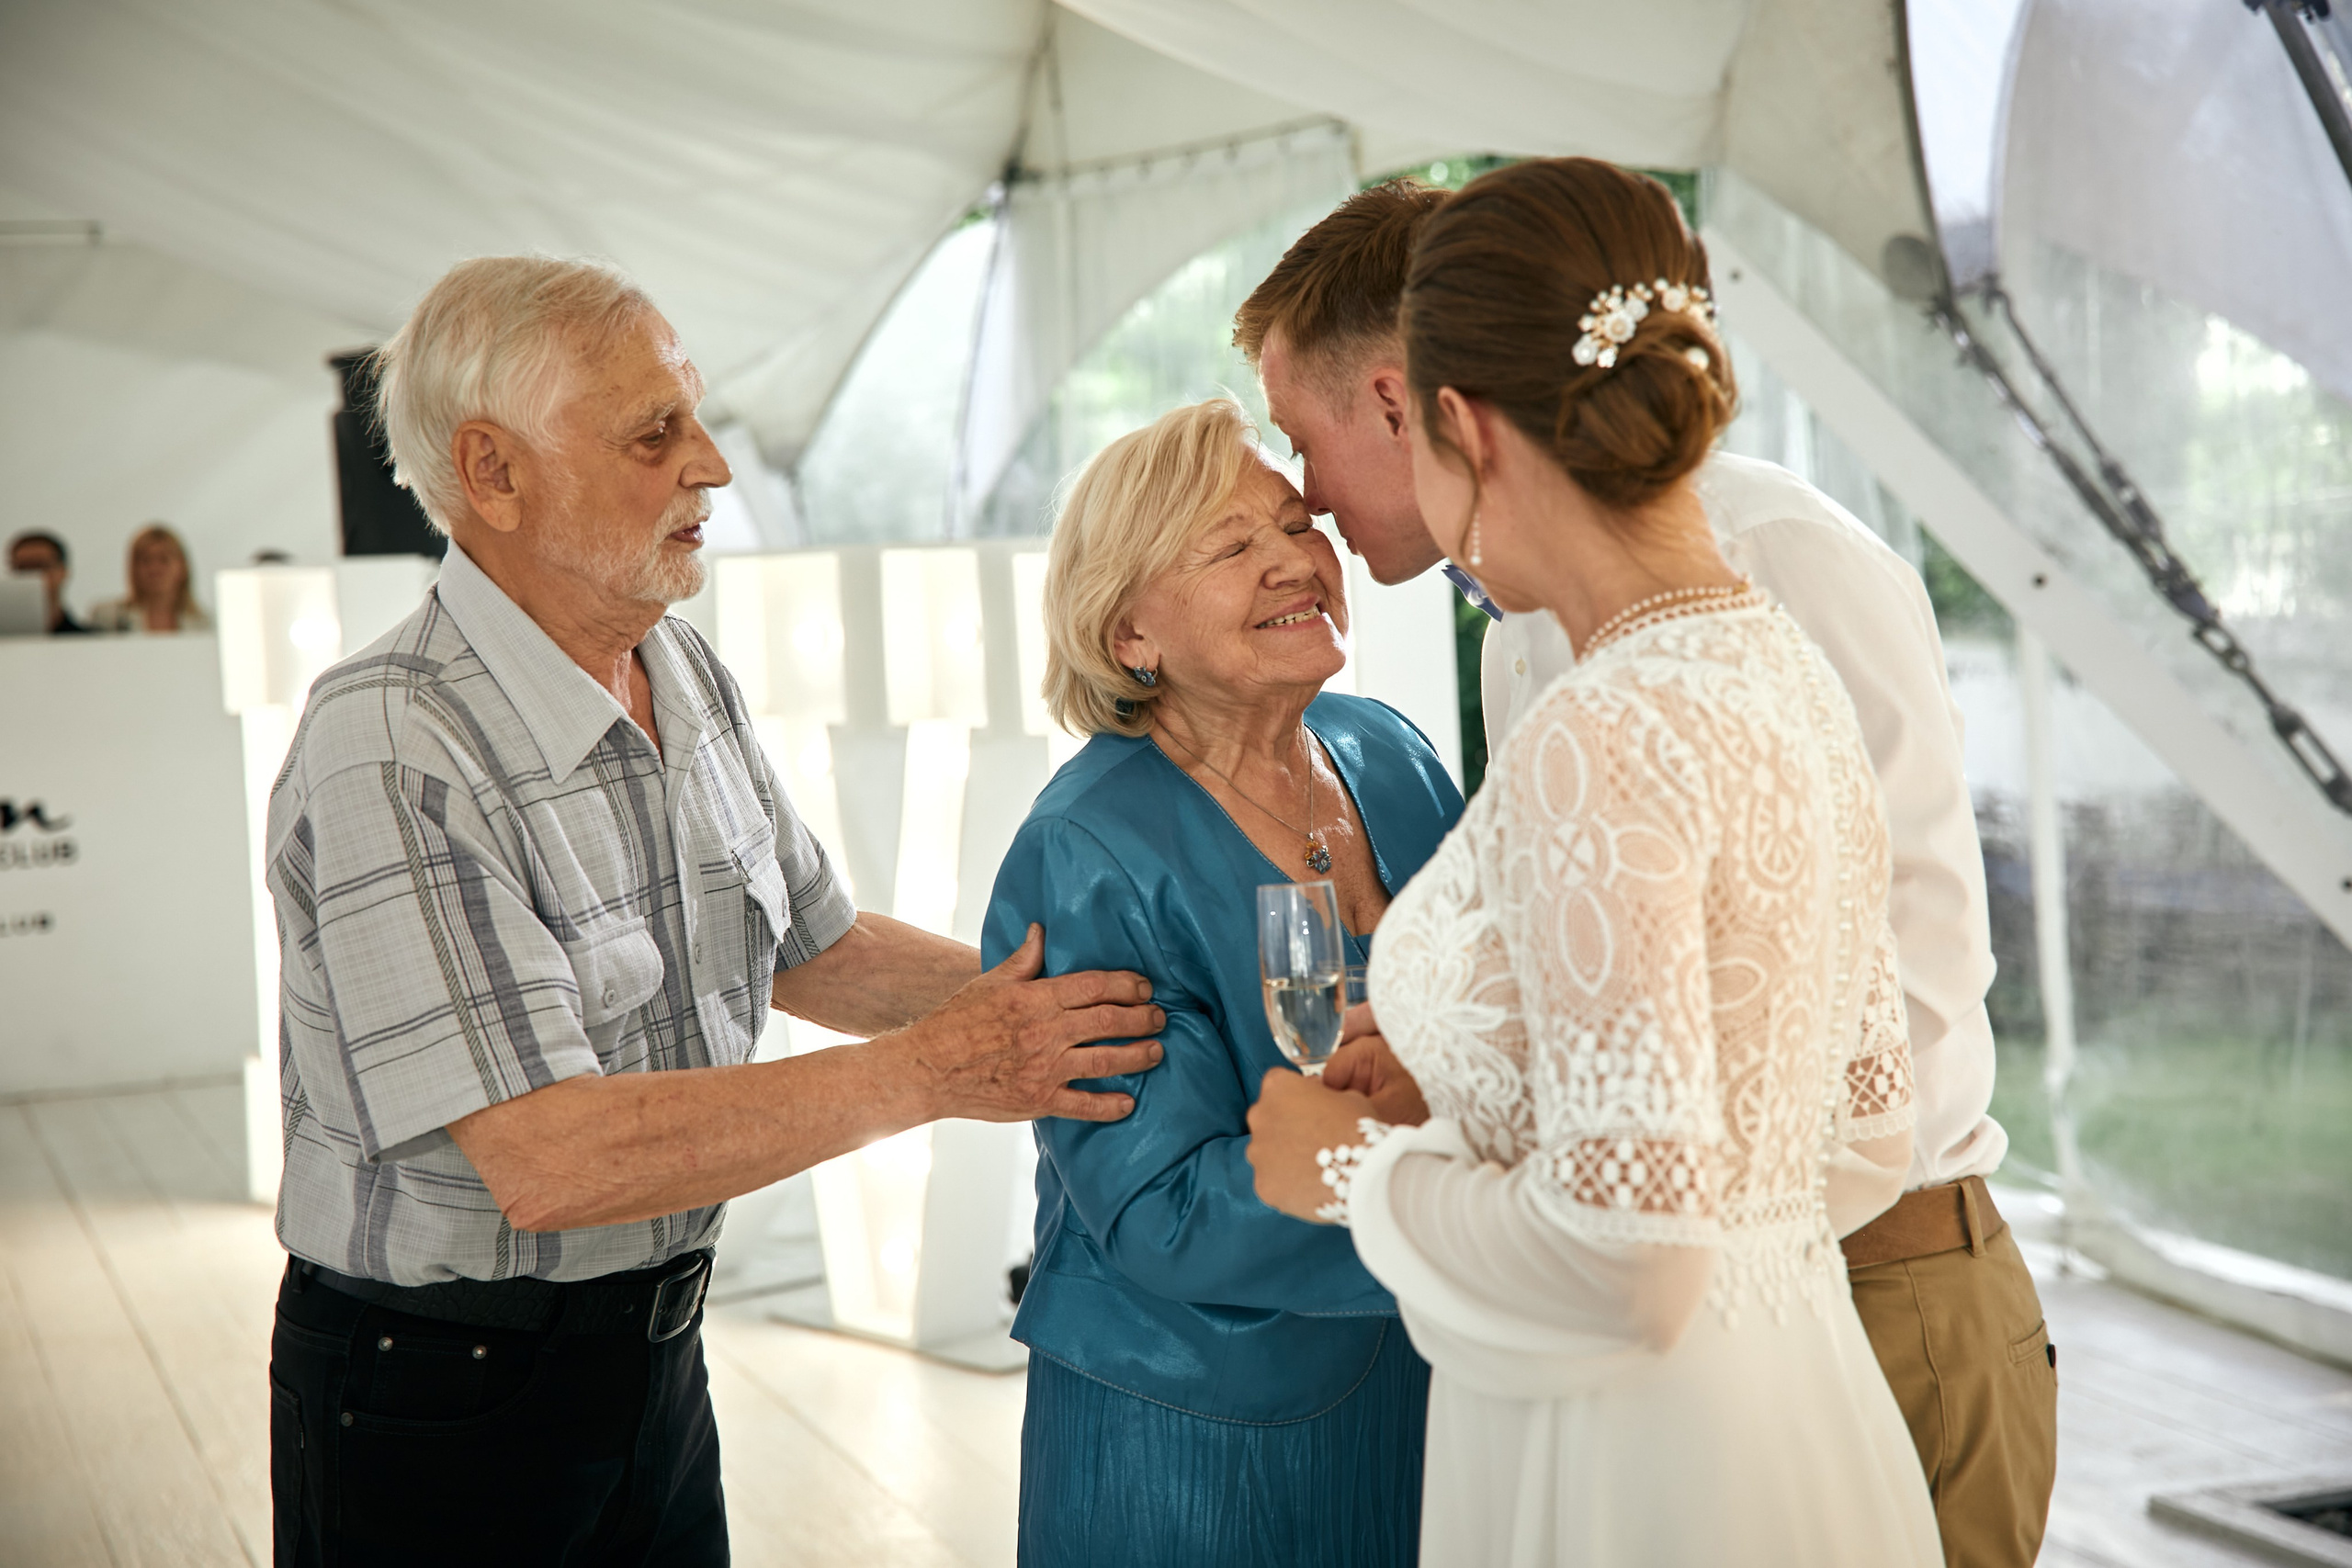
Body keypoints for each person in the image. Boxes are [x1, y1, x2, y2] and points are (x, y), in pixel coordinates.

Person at [265, 255, 1167, 1568]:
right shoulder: (393, 740)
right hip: (437, 1395)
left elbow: (821, 946)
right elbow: (549, 1155)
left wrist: (1094, 992)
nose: (714, 467)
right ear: (494, 472)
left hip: (652, 1358)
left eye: (694, 418)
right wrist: (938, 1071)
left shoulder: (677, 661)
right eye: (654, 434)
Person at [1237, 176, 2056, 1566]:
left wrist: (1363, 1171)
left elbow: (1647, 1249)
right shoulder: (1740, 656)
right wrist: (1501, 1074)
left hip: (1720, 1395)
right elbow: (1821, 1098)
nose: (1300, 493)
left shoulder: (1639, 687)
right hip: (1797, 1378)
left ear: (1439, 413)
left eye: (1299, 437)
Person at [984, 397, 1462, 1567]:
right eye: (1230, 545)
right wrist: (1468, 1225)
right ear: (1129, 633)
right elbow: (1164, 1211)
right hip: (1192, 1424)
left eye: (1296, 524)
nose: (1294, 559)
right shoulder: (1090, 845)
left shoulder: (1390, 754)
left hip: (1431, 1379)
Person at [88, 523, 212, 633]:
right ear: (133, 568)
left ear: (182, 567)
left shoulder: (205, 624)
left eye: (164, 560)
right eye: (146, 561)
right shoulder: (109, 618)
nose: (154, 569)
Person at [6, 529, 93, 634]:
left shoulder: (92, 641)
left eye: (40, 567)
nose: (31, 577)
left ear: (63, 572)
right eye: (22, 569)